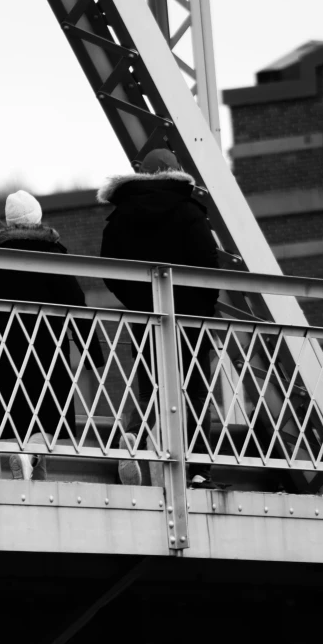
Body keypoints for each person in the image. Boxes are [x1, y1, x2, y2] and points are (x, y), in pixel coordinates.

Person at [97, 149, 219, 488]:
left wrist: (139, 301)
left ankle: (134, 436)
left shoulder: (121, 215)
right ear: (175, 172)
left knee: (151, 386)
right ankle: (197, 469)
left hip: (147, 316)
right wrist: (201, 304)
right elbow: (208, 265)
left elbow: (111, 270)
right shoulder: (189, 211)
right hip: (190, 318)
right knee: (194, 390)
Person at [0, 190, 104, 480]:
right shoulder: (52, 256)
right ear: (38, 218)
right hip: (47, 352)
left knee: (14, 418)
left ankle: (27, 469)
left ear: (8, 222)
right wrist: (92, 352)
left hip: (5, 352)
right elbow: (75, 304)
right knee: (48, 422)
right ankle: (30, 456)